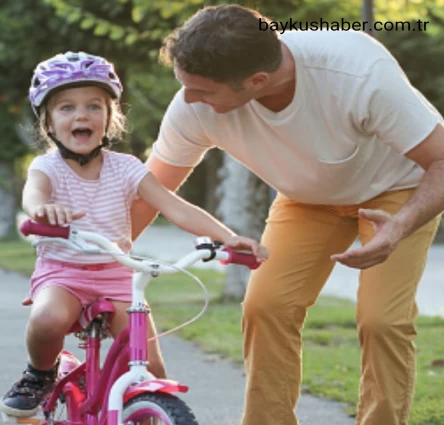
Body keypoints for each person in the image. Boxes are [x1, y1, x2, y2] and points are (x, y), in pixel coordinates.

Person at [130, 5, 444, 425]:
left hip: (394, 193)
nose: (188, 99)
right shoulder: (193, 105)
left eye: (203, 91)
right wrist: (100, 259)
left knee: (382, 319)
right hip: (307, 199)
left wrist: (403, 224)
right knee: (266, 305)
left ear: (257, 82)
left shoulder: (357, 74)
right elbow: (151, 192)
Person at [0, 51, 269, 418]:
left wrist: (227, 237)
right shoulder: (46, 167)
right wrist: (42, 210)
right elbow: (34, 193)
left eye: (94, 106)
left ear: (110, 118)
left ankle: (145, 408)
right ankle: (39, 374)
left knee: (151, 367)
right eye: (66, 108)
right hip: (63, 272)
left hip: (117, 274)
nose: (81, 115)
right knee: (47, 320)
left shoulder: (126, 168)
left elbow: (175, 206)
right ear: (47, 122)